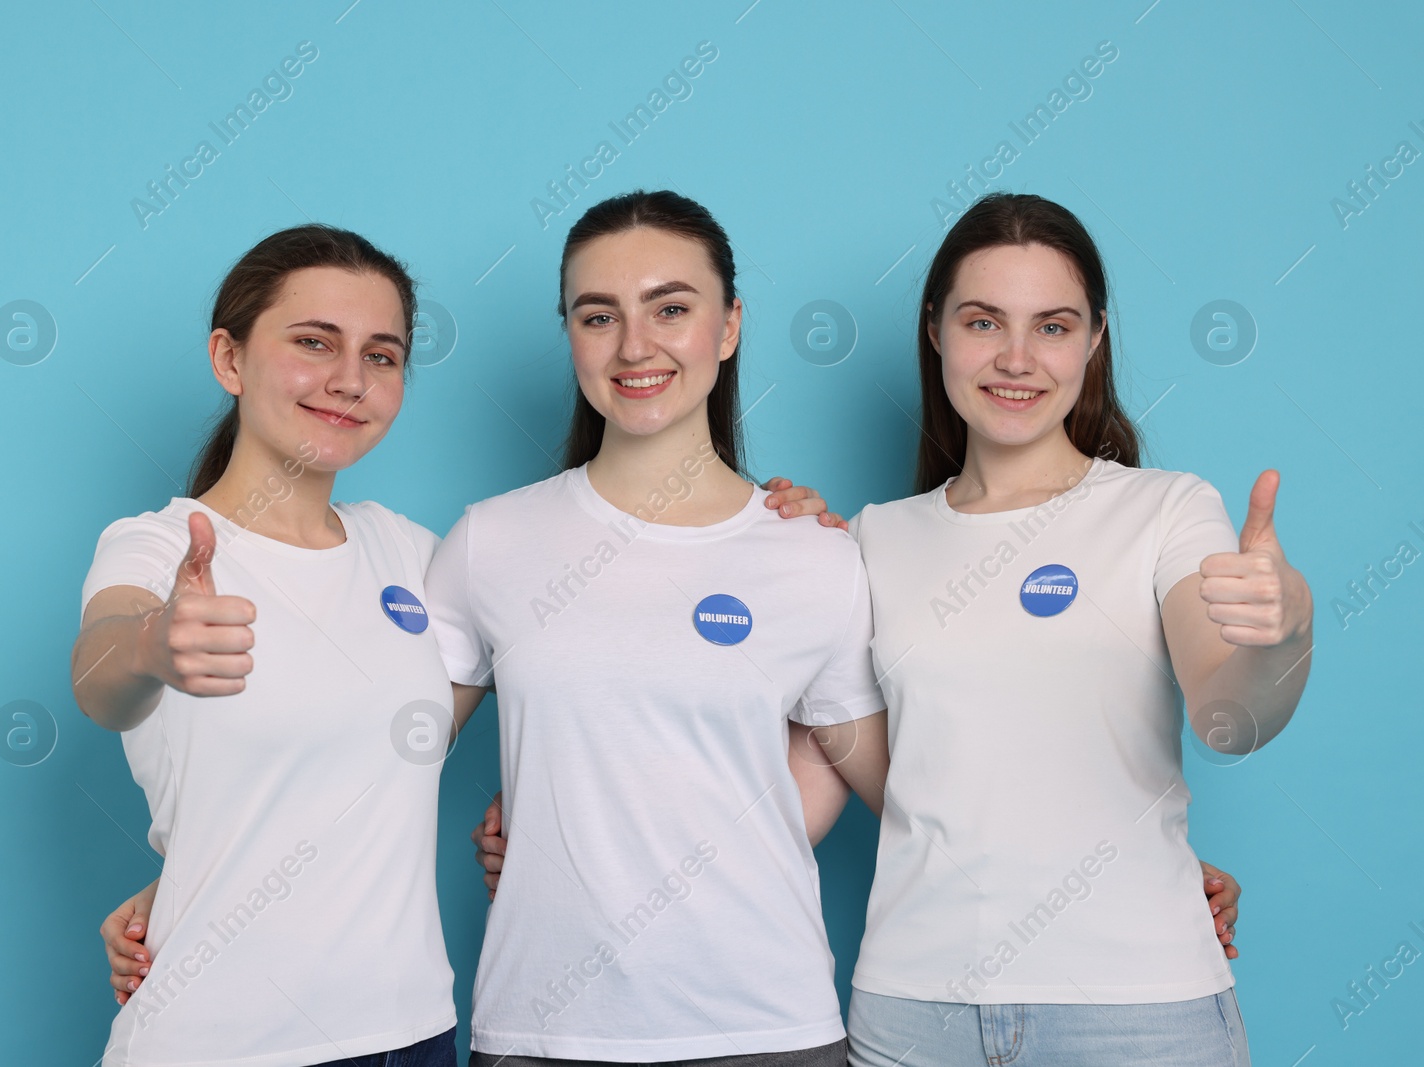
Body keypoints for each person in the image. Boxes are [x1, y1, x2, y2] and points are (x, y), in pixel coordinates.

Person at [82, 222, 836, 1067]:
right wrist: (151, 645)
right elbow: (100, 672)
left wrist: (774, 531)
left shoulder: (414, 554)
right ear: (229, 358)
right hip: (220, 1042)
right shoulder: (155, 548)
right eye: (313, 343)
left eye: (380, 354)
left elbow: (368, 767)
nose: (347, 378)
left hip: (415, 1036)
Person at [839, 192, 1310, 1066]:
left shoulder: (1166, 511)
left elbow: (1227, 715)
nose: (1017, 358)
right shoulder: (871, 540)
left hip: (1138, 1014)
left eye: (1053, 327)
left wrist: (1281, 634)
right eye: (984, 322)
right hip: (915, 1013)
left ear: (1094, 341)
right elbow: (907, 782)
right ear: (934, 328)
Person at [427, 188, 891, 1066]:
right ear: (569, 333)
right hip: (542, 1031)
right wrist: (201, 876)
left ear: (729, 326)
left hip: (768, 1031)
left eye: (671, 308)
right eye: (599, 315)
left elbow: (904, 799)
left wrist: (1146, 870)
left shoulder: (816, 558)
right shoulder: (491, 542)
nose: (635, 346)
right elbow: (378, 767)